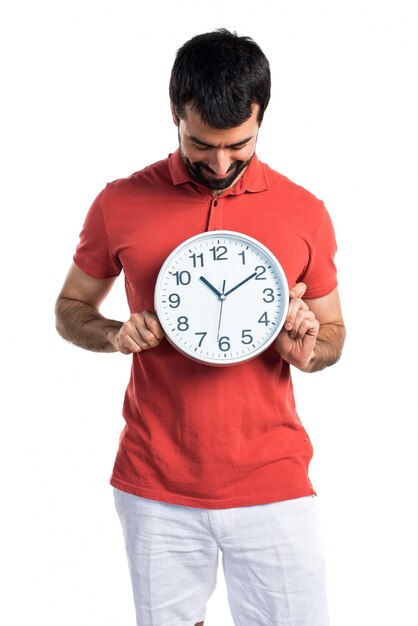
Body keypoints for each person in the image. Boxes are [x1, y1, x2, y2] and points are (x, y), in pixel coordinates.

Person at [55, 28, 345, 626]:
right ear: (174, 114)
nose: (219, 164)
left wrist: (308, 348)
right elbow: (69, 307)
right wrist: (114, 334)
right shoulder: (120, 201)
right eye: (200, 144)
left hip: (274, 481)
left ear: (261, 117)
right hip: (155, 482)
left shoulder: (305, 211)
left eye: (239, 145)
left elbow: (335, 333)